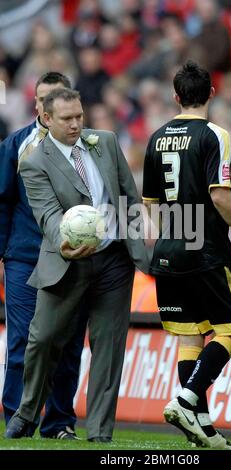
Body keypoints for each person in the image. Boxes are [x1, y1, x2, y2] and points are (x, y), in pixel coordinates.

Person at [142, 61, 231, 450]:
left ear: (175, 96)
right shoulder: (215, 135)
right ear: (211, 93)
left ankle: (203, 428)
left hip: (169, 249)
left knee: (192, 334)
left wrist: (175, 235)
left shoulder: (156, 137)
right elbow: (220, 194)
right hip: (207, 251)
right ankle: (186, 399)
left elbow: (150, 203)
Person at [6, 88, 149, 442]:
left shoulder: (106, 141)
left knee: (108, 345)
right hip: (67, 261)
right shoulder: (34, 162)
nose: (75, 124)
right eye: (67, 118)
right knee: (41, 340)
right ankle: (27, 412)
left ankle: (99, 433)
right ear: (47, 119)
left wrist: (141, 253)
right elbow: (48, 215)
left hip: (114, 261)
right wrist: (66, 242)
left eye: (79, 116)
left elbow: (129, 197)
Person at [0, 72, 88, 439]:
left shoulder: (87, 145)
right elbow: (3, 201)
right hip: (25, 256)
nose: (45, 105)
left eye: (54, 98)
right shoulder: (17, 145)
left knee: (67, 341)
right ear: (38, 105)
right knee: (23, 337)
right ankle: (17, 418)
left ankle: (59, 422)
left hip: (72, 255)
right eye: (41, 99)